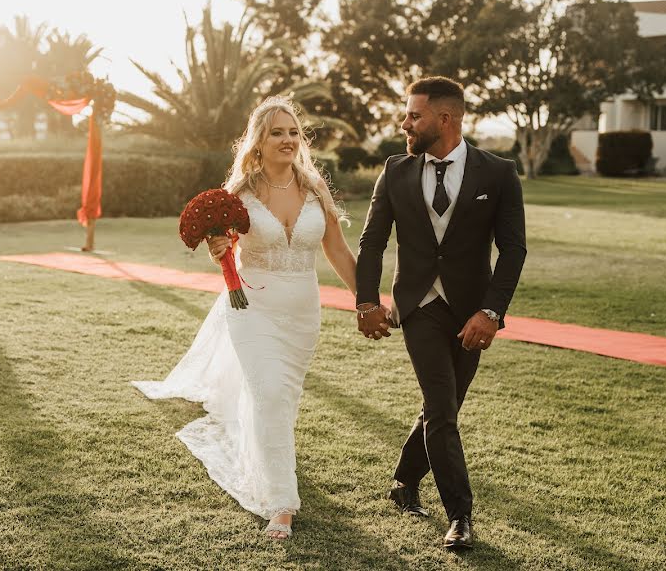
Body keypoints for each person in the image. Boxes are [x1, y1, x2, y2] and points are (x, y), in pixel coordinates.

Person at [132, 96, 360, 540]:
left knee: (281, 400)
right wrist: (219, 248)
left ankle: (270, 457)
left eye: (293, 132)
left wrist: (366, 301)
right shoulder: (240, 192)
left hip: (301, 314)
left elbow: (336, 250)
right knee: (270, 393)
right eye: (277, 132)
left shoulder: (314, 187)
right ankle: (281, 504)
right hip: (252, 309)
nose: (288, 140)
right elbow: (225, 245)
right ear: (258, 141)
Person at [355, 76, 526, 550]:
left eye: (414, 115)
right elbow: (372, 241)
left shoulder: (498, 173)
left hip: (472, 311)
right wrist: (367, 302)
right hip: (418, 306)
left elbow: (513, 250)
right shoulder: (395, 171)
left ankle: (405, 481)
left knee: (442, 407)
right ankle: (461, 516)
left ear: (445, 119)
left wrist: (491, 311)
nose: (404, 123)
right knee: (442, 408)